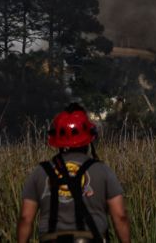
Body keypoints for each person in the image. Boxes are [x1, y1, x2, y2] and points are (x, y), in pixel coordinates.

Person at [17, 103, 131, 243]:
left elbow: (25, 218)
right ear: (88, 139)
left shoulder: (40, 172)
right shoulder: (103, 171)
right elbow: (120, 216)